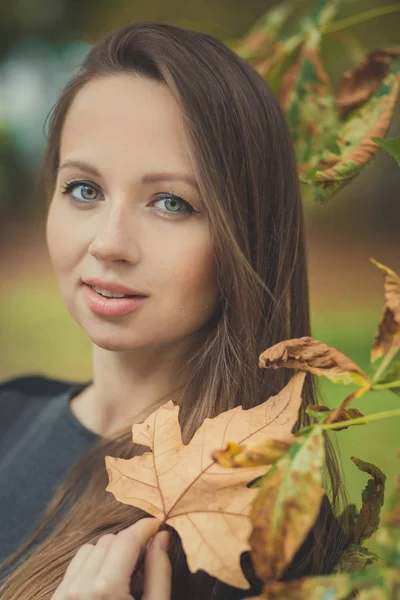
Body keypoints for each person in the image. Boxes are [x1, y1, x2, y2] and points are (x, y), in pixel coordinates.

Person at [0, 21, 350, 600]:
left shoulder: (275, 536)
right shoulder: (10, 409)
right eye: (84, 189)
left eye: (171, 202)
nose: (110, 242)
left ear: (247, 238)